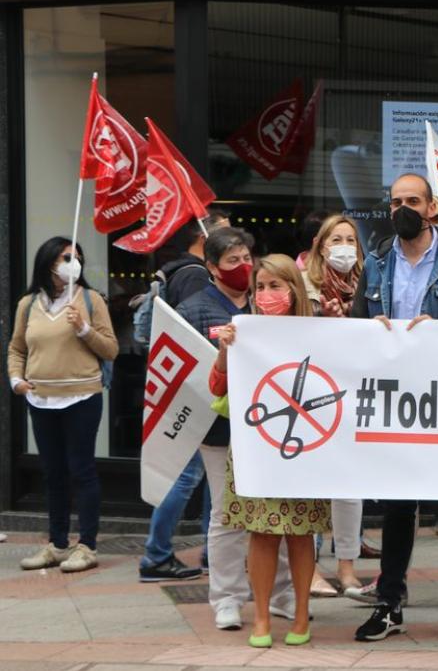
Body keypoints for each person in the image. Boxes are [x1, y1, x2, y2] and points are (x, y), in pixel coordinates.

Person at [350, 173, 438, 642]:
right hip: (392, 399)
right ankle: (390, 603)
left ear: (432, 208)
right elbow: (355, 328)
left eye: (413, 200)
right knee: (396, 508)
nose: (403, 208)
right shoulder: (375, 260)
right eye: (396, 201)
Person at [177, 227, 297, 631]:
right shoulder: (194, 309)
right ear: (211, 268)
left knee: (277, 516)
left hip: (272, 431)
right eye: (232, 261)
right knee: (226, 517)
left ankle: (281, 594)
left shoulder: (265, 303)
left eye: (246, 258)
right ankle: (226, 598)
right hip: (219, 431)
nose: (243, 267)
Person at [211, 255, 331, 648]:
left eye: (274, 286)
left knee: (300, 535)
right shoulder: (242, 331)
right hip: (258, 446)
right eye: (259, 287)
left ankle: (299, 615)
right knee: (261, 534)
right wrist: (226, 351)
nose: (265, 295)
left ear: (293, 289)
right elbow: (217, 387)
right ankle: (260, 617)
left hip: (305, 450)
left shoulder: (318, 332)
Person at [10, 238, 118, 573]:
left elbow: (111, 349)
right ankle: (57, 543)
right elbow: (17, 348)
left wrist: (84, 328)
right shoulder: (28, 304)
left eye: (77, 257)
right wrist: (16, 380)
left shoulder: (90, 299)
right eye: (66, 257)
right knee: (52, 472)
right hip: (41, 398)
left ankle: (87, 545)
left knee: (81, 470)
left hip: (82, 396)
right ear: (48, 262)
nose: (73, 263)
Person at [138, 212, 230, 583]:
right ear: (203, 238)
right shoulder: (194, 276)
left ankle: (211, 552)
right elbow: (198, 335)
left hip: (195, 387)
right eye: (224, 231)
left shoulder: (175, 271)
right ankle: (156, 555)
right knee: (187, 474)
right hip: (198, 389)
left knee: (204, 475)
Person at [299, 214, 367, 597]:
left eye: (350, 240)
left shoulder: (366, 284)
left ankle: (347, 568)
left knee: (350, 487)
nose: (343, 246)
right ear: (321, 245)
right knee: (313, 487)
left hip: (354, 393)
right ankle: (308, 570)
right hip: (313, 395)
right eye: (336, 239)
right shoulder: (304, 285)